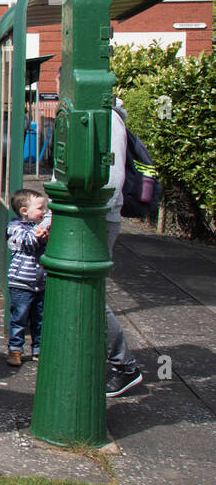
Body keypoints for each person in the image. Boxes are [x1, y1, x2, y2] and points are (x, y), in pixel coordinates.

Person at [105, 103, 145, 396]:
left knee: (90, 297)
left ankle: (124, 366)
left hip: (96, 219)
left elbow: (113, 177)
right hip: (91, 218)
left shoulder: (107, 120)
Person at [5, 189, 49, 367]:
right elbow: (29, 243)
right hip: (21, 282)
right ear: (24, 211)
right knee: (20, 317)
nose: (44, 211)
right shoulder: (14, 227)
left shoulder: (38, 227)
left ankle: (38, 349)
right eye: (40, 208)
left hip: (40, 282)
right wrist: (43, 230)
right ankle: (15, 349)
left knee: (40, 317)